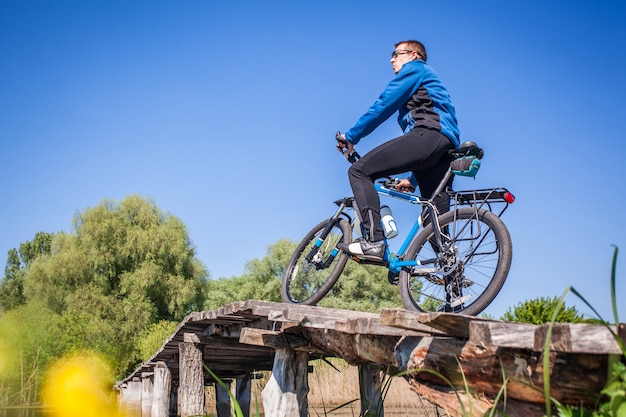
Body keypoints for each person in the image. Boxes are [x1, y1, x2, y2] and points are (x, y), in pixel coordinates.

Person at [336, 40, 461, 261]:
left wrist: (352, 136)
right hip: (443, 148)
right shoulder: (428, 79)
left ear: (413, 54)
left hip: (428, 135)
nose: (391, 59)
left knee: (359, 171)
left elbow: (384, 104)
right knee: (434, 221)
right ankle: (454, 281)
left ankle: (373, 242)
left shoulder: (415, 69)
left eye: (396, 53)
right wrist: (412, 179)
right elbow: (429, 150)